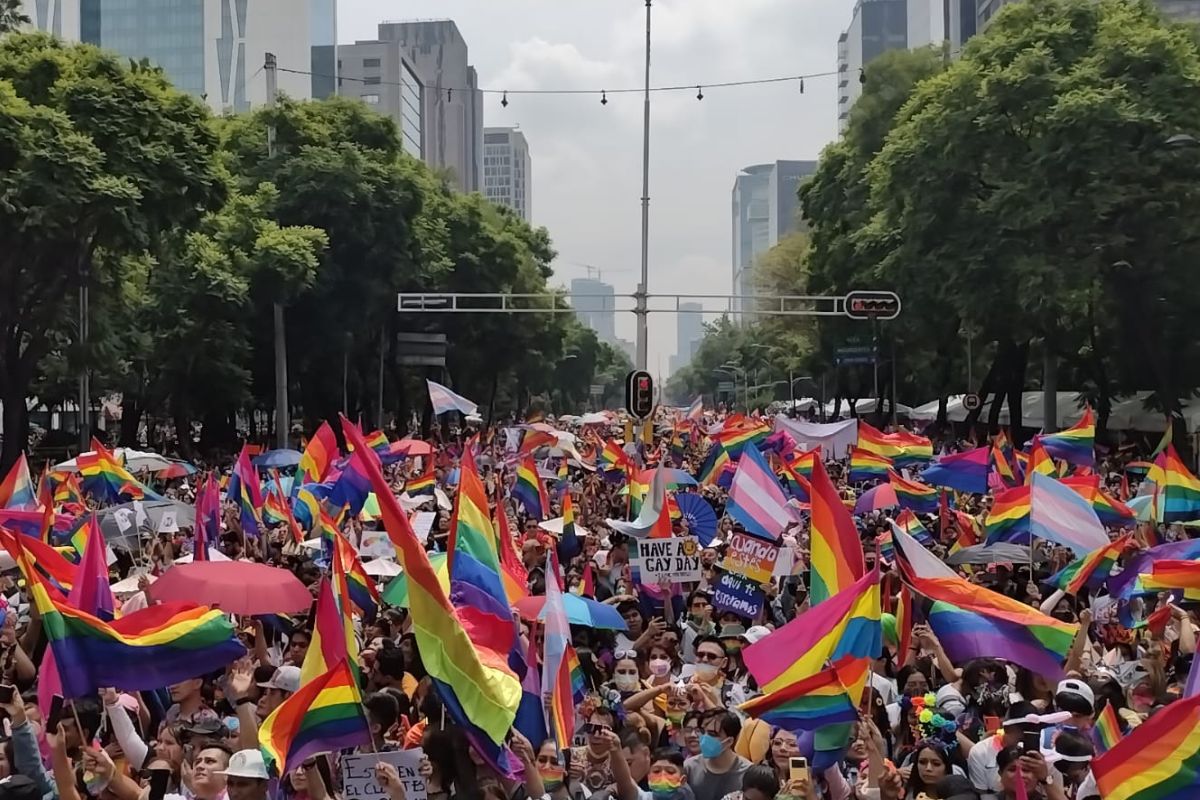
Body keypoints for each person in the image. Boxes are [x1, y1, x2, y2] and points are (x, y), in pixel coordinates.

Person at [684, 711, 750, 800]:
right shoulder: (690, 767)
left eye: (712, 734)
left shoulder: (747, 773)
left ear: (729, 741)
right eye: (703, 732)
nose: (705, 737)